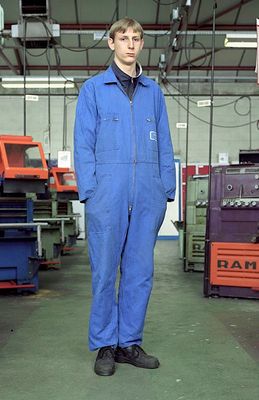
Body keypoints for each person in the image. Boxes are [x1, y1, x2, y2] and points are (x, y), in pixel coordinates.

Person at [74, 17, 176, 376]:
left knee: (140, 272)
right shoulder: (93, 89)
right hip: (107, 194)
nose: (130, 44)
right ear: (111, 43)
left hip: (148, 193)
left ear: (142, 44)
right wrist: (90, 190)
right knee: (104, 272)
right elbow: (83, 144)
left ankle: (128, 343)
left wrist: (167, 189)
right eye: (123, 38)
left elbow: (164, 142)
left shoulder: (153, 92)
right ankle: (105, 344)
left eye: (136, 38)